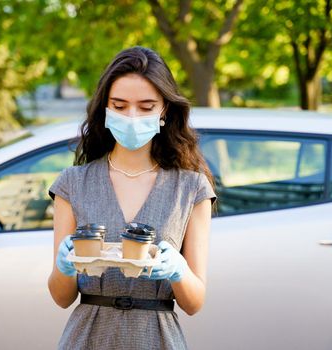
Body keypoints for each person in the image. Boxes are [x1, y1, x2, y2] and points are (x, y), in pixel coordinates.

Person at [47, 46, 216, 350]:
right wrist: (65, 267)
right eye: (120, 105)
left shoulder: (191, 188)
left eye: (146, 106)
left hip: (157, 338)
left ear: (164, 109)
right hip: (88, 337)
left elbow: (194, 303)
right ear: (105, 109)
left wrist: (178, 270)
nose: (132, 116)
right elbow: (62, 298)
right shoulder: (73, 183)